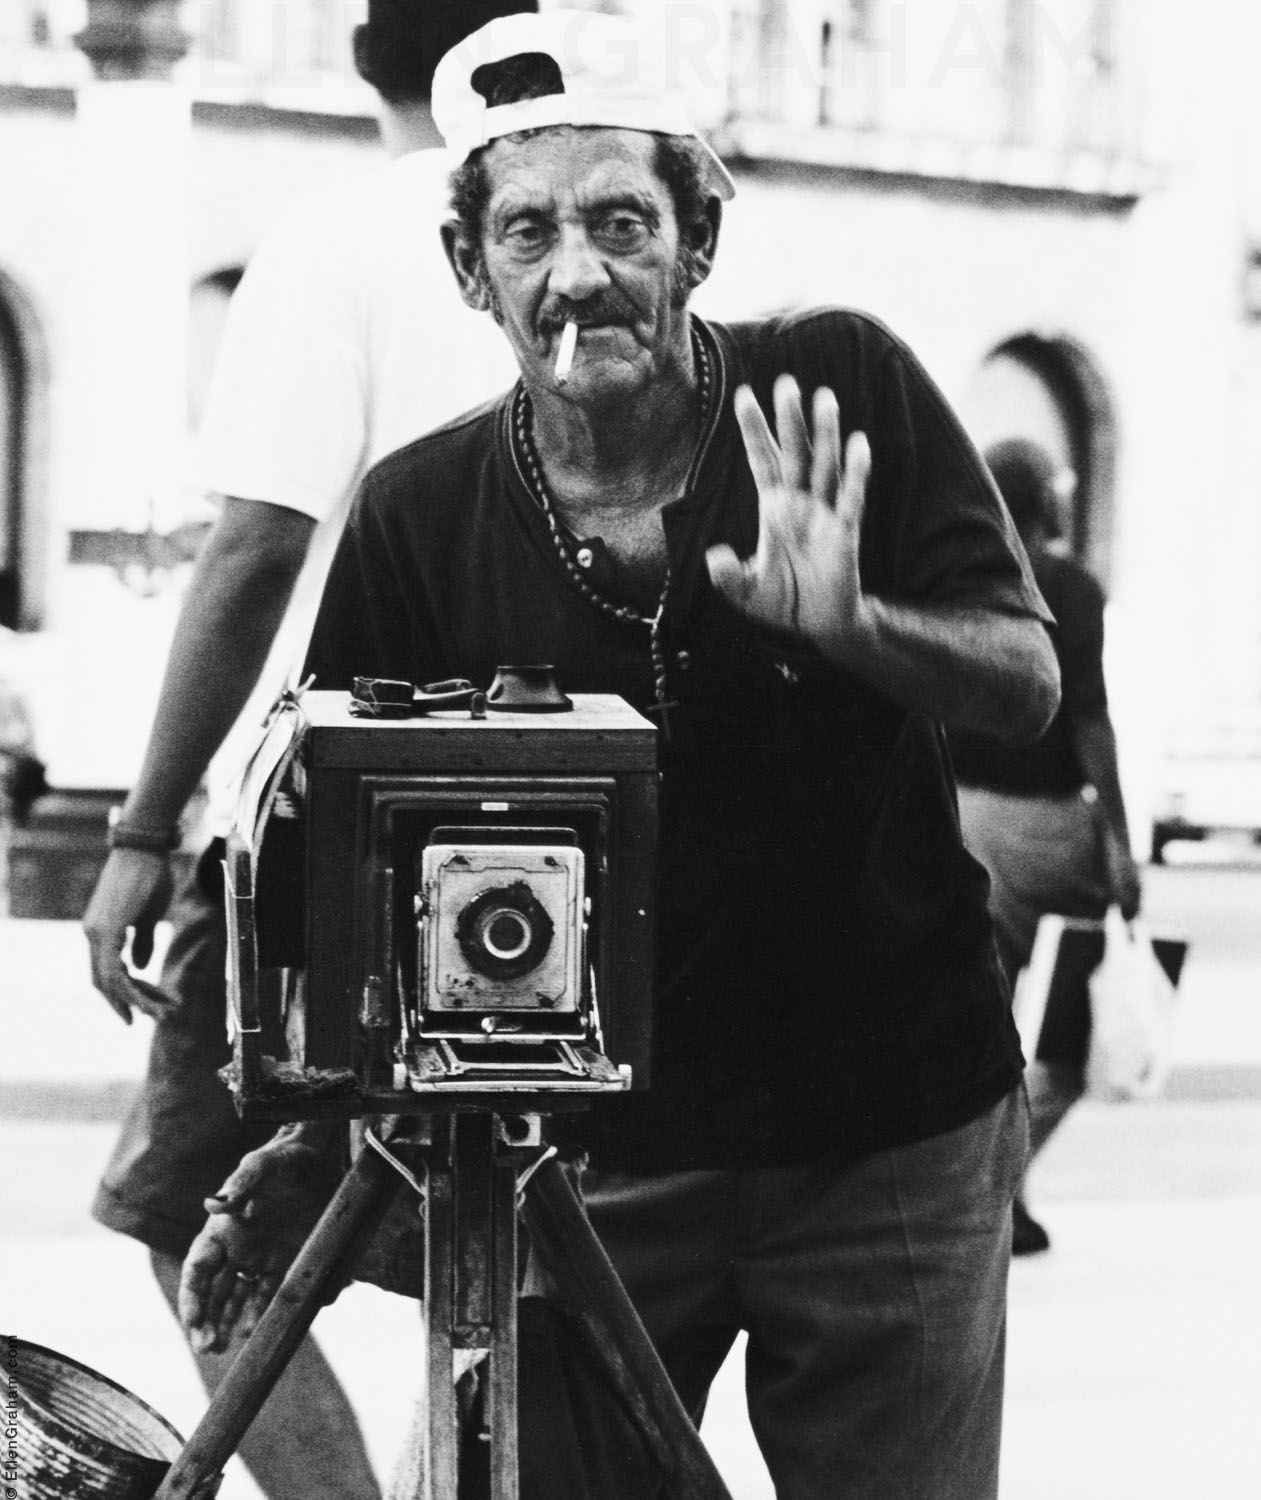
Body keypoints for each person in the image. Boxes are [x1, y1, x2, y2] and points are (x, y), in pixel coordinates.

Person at [178, 12, 1062, 1498]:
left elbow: (1022, 685)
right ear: (470, 270)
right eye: (525, 230)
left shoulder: (834, 383)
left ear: (696, 240)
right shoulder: (417, 510)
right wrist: (332, 1142)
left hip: (887, 1127)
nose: (575, 272)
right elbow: (348, 864)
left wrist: (855, 623)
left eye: (619, 222)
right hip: (582, 1159)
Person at [81, 5, 535, 1497]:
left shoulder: (346, 232)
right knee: (513, 1223)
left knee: (185, 1206)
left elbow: (256, 543)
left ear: (362, 55)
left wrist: (143, 826)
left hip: (327, 821)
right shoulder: (614, 222)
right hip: (566, 815)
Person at [951, 438, 1142, 1256]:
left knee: (979, 1023)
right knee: (1060, 1034)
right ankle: (998, 1187)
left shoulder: (954, 580)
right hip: (1044, 826)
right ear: (1048, 503)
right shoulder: (1066, 586)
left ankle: (991, 1191)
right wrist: (1121, 843)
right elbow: (1087, 717)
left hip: (960, 820)